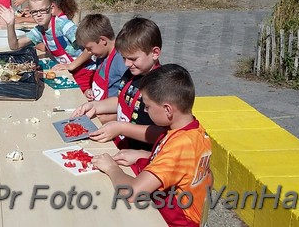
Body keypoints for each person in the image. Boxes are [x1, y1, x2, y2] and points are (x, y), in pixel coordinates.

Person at [91, 64, 212, 227]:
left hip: (174, 221)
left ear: (168, 109)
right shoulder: (196, 131)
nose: (146, 111)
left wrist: (111, 168)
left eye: (147, 106)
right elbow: (190, 169)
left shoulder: (179, 145)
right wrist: (143, 154)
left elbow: (132, 193)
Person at [72, 17, 165, 151]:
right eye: (123, 58)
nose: (126, 64)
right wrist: (94, 106)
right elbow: (122, 100)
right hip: (123, 145)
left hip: (141, 156)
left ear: (155, 53)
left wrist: (121, 127)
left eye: (132, 59)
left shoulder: (160, 86)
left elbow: (161, 133)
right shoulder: (131, 74)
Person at [0, 0, 95, 92]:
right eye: (34, 12)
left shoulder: (64, 25)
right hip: (69, 73)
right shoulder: (39, 30)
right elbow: (14, 45)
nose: (38, 15)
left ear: (51, 8)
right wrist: (10, 24)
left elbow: (90, 48)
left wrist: (71, 65)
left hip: (86, 72)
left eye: (42, 10)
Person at [76, 14, 126, 110]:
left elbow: (125, 100)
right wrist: (90, 91)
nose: (89, 53)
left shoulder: (121, 60)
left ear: (103, 40)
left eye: (90, 48)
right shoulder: (102, 55)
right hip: (97, 103)